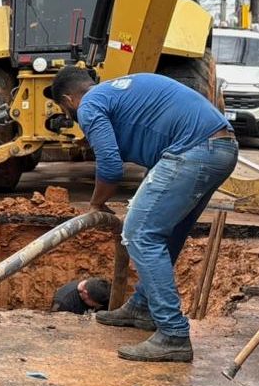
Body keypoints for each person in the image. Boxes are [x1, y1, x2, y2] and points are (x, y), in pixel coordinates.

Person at [50, 66, 238, 362]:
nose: (69, 115)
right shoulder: (116, 91)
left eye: (64, 109)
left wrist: (96, 204)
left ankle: (173, 334)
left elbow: (110, 168)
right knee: (167, 234)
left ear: (68, 99)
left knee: (139, 233)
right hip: (220, 147)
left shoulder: (89, 105)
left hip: (195, 149)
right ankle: (142, 307)